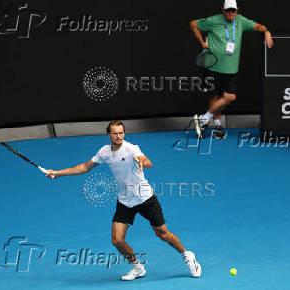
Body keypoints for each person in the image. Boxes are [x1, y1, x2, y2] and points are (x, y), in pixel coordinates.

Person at [45, 121, 201, 280]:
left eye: (121, 133)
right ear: (108, 135)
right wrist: (58, 172)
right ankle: (138, 268)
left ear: (124, 134)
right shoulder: (104, 152)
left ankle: (187, 255)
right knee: (117, 240)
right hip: (125, 201)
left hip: (145, 198)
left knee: (162, 233)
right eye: (115, 133)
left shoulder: (131, 148)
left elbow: (148, 162)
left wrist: (142, 162)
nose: (118, 136)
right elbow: (84, 167)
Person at [190, 0, 274, 139]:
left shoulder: (240, 21)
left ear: (237, 10)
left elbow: (258, 26)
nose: (231, 13)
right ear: (223, 10)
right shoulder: (213, 20)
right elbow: (193, 24)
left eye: (233, 10)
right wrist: (202, 42)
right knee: (216, 97)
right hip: (214, 67)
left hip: (231, 69)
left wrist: (267, 32)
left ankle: (203, 120)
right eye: (228, 10)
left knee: (229, 97)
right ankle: (216, 124)